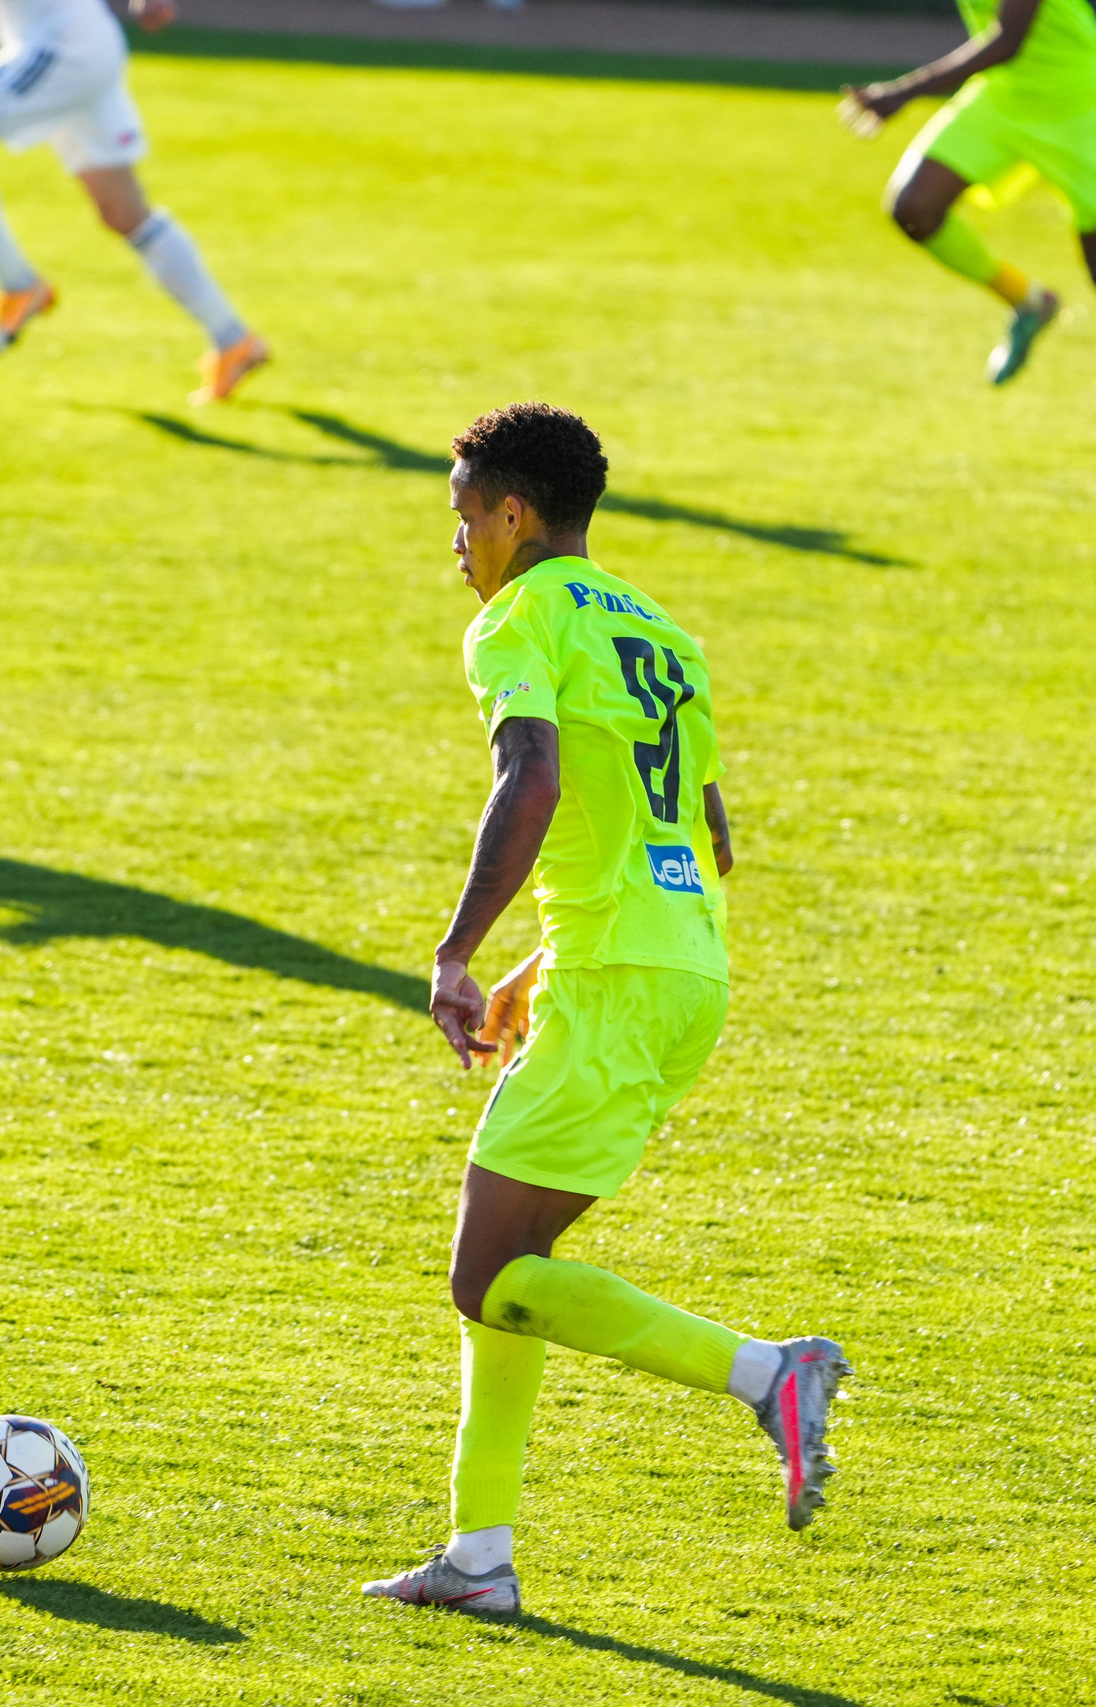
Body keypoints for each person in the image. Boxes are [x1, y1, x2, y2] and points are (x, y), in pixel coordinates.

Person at [359, 404, 846, 1618]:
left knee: (488, 1277)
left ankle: (766, 1375)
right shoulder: (664, 633)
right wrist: (547, 960)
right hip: (682, 973)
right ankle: (478, 1559)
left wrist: (461, 953)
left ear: (512, 514)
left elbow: (534, 776)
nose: (456, 546)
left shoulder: (514, 619)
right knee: (512, 1265)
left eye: (461, 517)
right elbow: (708, 834)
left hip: (620, 978)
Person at [840, 0, 1096, 442]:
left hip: (1081, 104)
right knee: (914, 210)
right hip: (1007, 95)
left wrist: (904, 91)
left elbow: (1009, 39)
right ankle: (1029, 302)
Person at [0, 0, 269, 402]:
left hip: (60, 49)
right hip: (81, 42)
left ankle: (19, 286)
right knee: (123, 213)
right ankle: (235, 341)